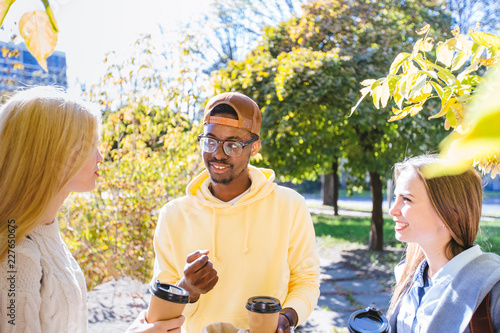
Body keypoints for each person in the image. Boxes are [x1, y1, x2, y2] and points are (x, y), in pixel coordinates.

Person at [0, 87, 184, 333]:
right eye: (90, 144)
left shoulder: (44, 233)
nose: (100, 157)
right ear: (52, 152)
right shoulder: (19, 253)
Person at [152, 92, 320, 333]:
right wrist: (187, 289)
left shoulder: (290, 206)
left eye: (232, 145)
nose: (218, 154)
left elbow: (306, 281)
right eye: (210, 141)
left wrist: (287, 318)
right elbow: (161, 310)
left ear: (254, 148)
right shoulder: (173, 215)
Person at [387, 154, 500, 332]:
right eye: (396, 198)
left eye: (406, 199)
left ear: (449, 212)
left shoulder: (494, 289)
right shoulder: (407, 279)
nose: (392, 210)